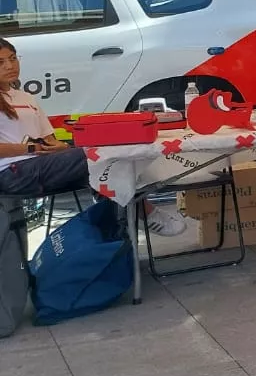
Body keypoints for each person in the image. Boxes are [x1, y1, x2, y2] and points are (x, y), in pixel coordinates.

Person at [0, 38, 187, 234]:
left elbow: (50, 140)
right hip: (12, 172)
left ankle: (120, 231)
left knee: (109, 160)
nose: (10, 66)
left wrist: (60, 146)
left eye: (13, 58)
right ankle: (144, 214)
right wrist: (31, 148)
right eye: (1, 62)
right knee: (98, 157)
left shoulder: (26, 98)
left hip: (43, 165)